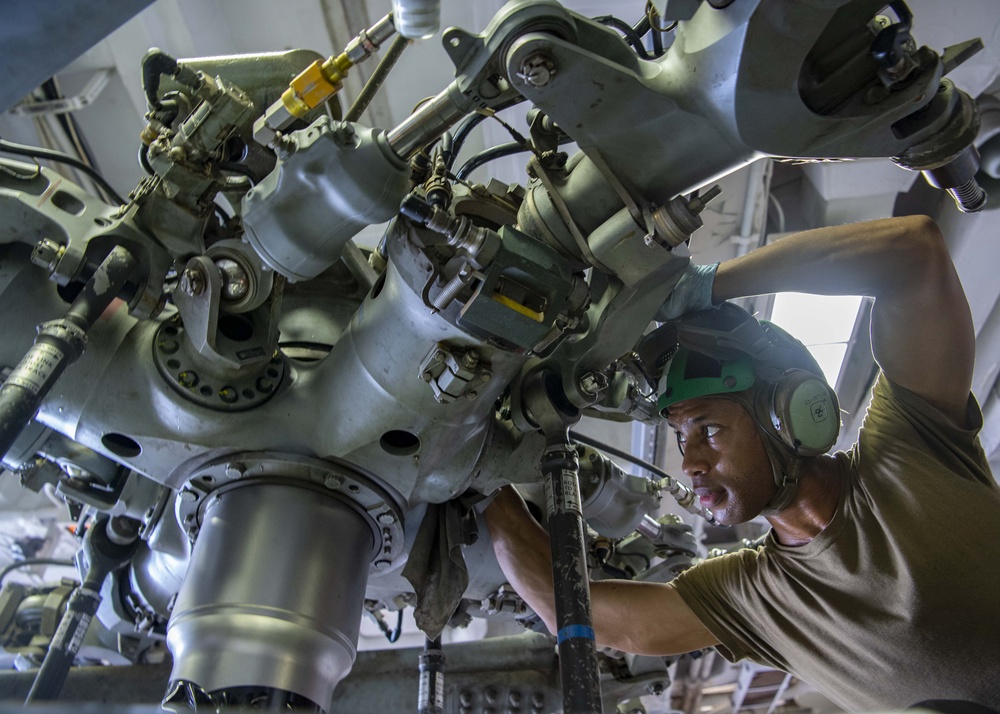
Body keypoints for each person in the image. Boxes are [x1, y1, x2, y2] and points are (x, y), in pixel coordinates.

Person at [484, 215, 1000, 710]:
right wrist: (485, 482)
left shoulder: (910, 446)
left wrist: (713, 286)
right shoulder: (756, 594)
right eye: (682, 439)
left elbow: (913, 252)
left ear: (793, 414)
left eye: (708, 429)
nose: (690, 464)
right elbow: (577, 611)